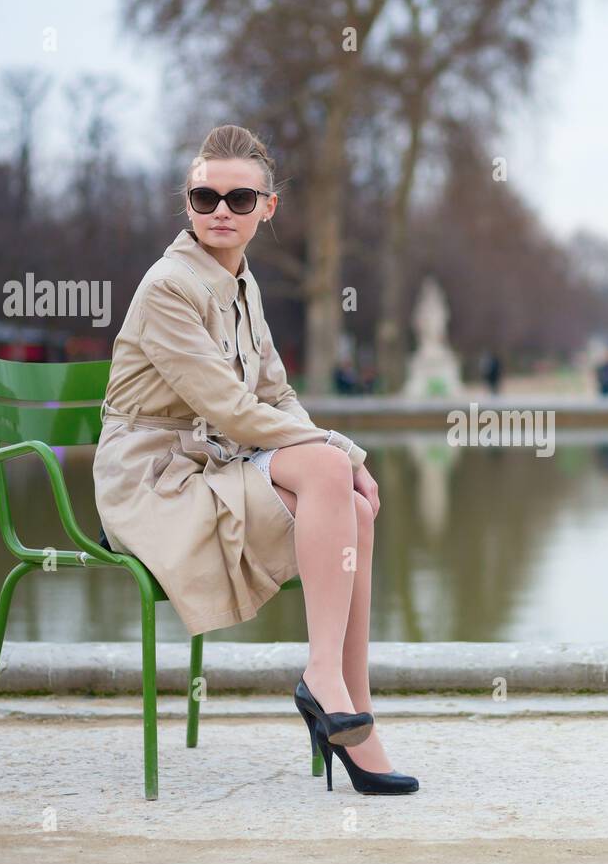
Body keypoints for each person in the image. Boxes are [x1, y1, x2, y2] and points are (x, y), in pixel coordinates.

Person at [93, 125, 416, 795]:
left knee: (353, 505)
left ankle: (351, 707)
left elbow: (274, 394)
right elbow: (235, 410)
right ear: (186, 202)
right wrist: (342, 448)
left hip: (211, 465)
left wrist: (332, 453)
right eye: (204, 195)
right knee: (332, 472)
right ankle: (326, 681)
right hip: (153, 482)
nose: (220, 210)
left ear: (268, 208)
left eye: (241, 198)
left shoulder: (243, 283)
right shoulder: (169, 287)